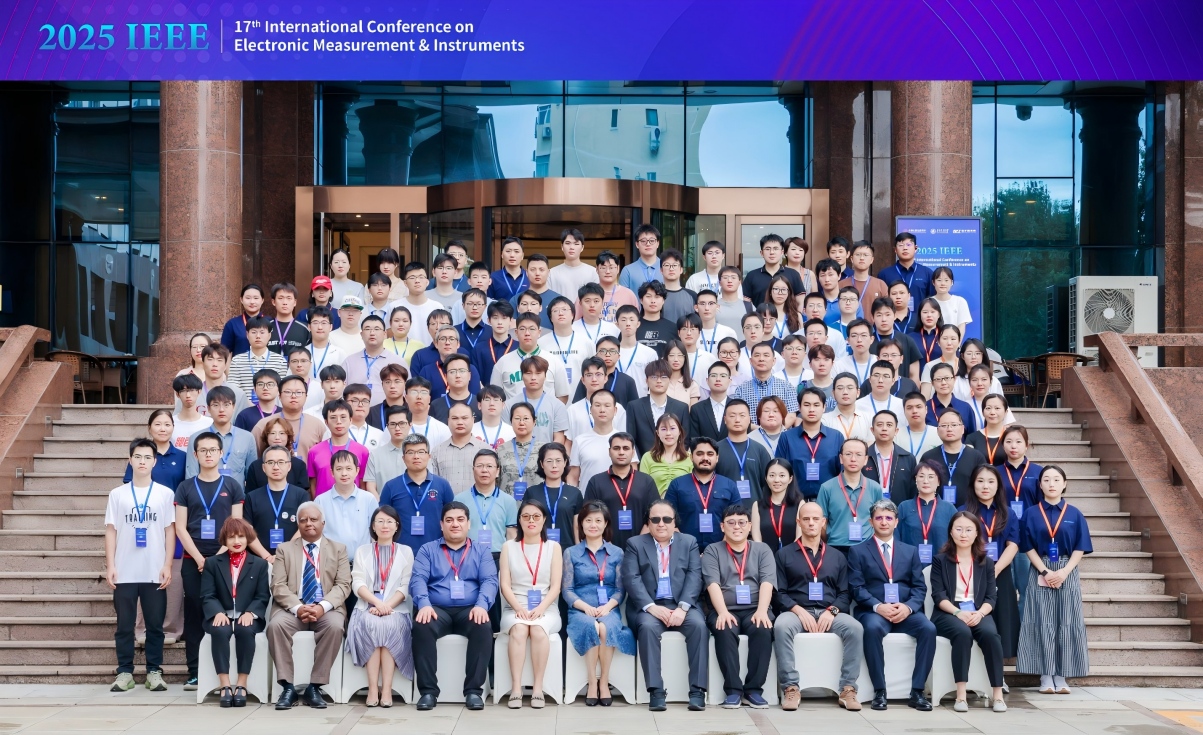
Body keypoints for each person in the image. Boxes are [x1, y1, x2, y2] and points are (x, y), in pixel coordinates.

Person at [773, 501, 864, 711]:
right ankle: (791, 687)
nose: (811, 523)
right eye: (806, 519)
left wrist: (832, 612)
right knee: (781, 626)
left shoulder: (837, 556)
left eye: (816, 519)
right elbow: (779, 593)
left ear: (824, 522)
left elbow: (844, 594)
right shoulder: (784, 554)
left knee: (855, 628)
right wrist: (798, 610)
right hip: (796, 612)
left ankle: (848, 688)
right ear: (798, 522)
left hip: (829, 612)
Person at [847, 499, 936, 712]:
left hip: (905, 611)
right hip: (874, 612)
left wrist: (908, 607)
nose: (884, 522)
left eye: (889, 518)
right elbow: (856, 588)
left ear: (896, 522)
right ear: (871, 522)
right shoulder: (858, 551)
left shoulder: (910, 551)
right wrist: (878, 606)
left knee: (928, 629)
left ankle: (917, 692)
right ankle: (880, 691)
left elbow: (919, 587)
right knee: (871, 629)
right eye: (879, 518)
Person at [409, 501, 499, 711]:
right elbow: (418, 579)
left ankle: (474, 692)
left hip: (470, 609)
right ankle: (428, 692)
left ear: (468, 524)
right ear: (441, 525)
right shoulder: (427, 550)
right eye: (449, 520)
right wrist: (424, 604)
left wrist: (481, 606)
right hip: (436, 609)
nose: (455, 524)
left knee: (483, 626)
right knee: (422, 626)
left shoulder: (481, 551)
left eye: (460, 519)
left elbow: (490, 581)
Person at [621, 499, 708, 712]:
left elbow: (695, 576)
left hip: (681, 604)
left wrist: (682, 608)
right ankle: (656, 691)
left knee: (699, 626)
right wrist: (651, 607)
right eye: (656, 519)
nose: (661, 524)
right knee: (647, 628)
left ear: (674, 522)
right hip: (650, 607)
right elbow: (631, 578)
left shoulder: (689, 542)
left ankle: (697, 691)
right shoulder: (635, 544)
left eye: (667, 519)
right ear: (648, 523)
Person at [176, 431, 247, 691]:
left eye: (213, 450)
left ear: (220, 453)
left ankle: (227, 672)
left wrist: (217, 557)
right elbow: (180, 527)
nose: (208, 454)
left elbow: (236, 526)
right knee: (195, 612)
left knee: (225, 612)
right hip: (192, 559)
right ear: (195, 455)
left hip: (225, 558)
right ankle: (195, 671)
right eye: (203, 450)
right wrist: (199, 558)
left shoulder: (232, 486)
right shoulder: (185, 487)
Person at [106, 438, 176, 693]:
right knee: (125, 625)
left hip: (154, 570)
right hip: (124, 570)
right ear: (130, 460)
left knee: (155, 625)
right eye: (138, 457)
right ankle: (124, 672)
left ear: (154, 461)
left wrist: (167, 564)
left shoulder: (165, 494)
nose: (142, 461)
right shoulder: (117, 494)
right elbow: (111, 531)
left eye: (147, 457)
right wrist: (110, 565)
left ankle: (154, 672)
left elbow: (170, 531)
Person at [268, 502, 353, 709]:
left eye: (313, 519)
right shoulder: (284, 549)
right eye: (303, 520)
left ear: (323, 523)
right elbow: (277, 585)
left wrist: (322, 606)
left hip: (326, 609)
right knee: (276, 626)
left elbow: (343, 584)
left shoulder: (338, 549)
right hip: (292, 609)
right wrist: (298, 608)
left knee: (335, 626)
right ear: (298, 524)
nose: (309, 523)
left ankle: (314, 687)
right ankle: (287, 688)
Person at [1017, 465, 1092, 694]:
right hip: (1040, 568)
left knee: (1066, 621)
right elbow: (1027, 546)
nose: (1051, 484)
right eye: (1047, 479)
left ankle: (1061, 675)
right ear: (1040, 485)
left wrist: (1064, 572)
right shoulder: (1031, 513)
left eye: (1056, 479)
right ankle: (1045, 675)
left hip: (1067, 569)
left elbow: (1080, 547)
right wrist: (1044, 572)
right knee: (1042, 621)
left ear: (1064, 484)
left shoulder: (1074, 514)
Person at [930, 511, 1006, 712]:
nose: (963, 534)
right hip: (949, 612)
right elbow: (938, 595)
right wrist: (958, 613)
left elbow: (991, 597)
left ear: (976, 533)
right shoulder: (940, 561)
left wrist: (980, 614)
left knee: (991, 635)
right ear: (951, 532)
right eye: (959, 529)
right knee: (962, 633)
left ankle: (998, 694)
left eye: (968, 530)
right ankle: (961, 695)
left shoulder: (986, 562)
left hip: (978, 611)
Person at [702, 504, 776, 708]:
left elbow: (767, 582)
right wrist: (722, 612)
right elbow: (712, 584)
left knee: (763, 628)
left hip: (756, 608)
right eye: (731, 522)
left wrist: (762, 611)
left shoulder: (762, 550)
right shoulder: (712, 550)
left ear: (750, 526)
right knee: (724, 628)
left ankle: (753, 690)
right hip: (724, 609)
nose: (737, 527)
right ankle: (733, 690)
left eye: (742, 522)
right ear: (722, 526)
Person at [563, 501, 635, 706]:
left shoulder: (617, 552)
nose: (593, 525)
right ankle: (592, 682)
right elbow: (567, 590)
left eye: (598, 520)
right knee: (592, 626)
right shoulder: (571, 553)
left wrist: (607, 607)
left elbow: (620, 589)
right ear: (581, 524)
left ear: (605, 524)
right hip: (580, 609)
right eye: (588, 520)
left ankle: (604, 681)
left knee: (605, 627)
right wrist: (585, 607)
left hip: (608, 608)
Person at [346, 506, 415, 708]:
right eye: (380, 521)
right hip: (366, 606)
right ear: (373, 526)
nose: (385, 525)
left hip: (396, 608)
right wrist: (377, 603)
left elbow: (405, 585)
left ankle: (386, 689)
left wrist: (386, 606)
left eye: (390, 521)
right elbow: (357, 583)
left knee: (389, 625)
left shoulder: (406, 551)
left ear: (397, 526)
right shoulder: (362, 551)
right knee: (372, 623)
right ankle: (372, 689)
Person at [498, 498, 563, 708]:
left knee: (537, 630)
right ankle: (516, 688)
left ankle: (537, 688)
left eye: (536, 516)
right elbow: (505, 585)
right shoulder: (509, 547)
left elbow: (555, 587)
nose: (531, 521)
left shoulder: (553, 547)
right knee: (518, 630)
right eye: (526, 516)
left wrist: (541, 608)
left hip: (546, 608)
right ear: (519, 520)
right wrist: (518, 608)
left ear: (544, 520)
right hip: (514, 607)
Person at [199, 517, 271, 707]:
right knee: (219, 630)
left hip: (247, 615)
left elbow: (262, 596)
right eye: (231, 537)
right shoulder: (212, 563)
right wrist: (217, 612)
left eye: (241, 536)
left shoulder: (259, 564)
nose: (236, 541)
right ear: (224, 539)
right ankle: (224, 684)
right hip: (221, 614)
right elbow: (207, 594)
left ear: (248, 538)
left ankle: (241, 683)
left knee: (245, 630)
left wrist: (251, 613)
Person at [962, 465, 1020, 660]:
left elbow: (1013, 545)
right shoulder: (963, 512)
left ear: (998, 486)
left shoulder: (1008, 513)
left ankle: (999, 668)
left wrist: (995, 569)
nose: (985, 486)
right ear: (973, 484)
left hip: (1000, 572)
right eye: (980, 481)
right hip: (970, 573)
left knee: (1002, 618)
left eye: (990, 481)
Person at [379, 433, 457, 553]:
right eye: (410, 452)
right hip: (400, 554)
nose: (416, 456)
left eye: (421, 452)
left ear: (429, 456)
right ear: (403, 458)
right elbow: (383, 521)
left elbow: (451, 518)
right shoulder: (391, 486)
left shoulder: (442, 485)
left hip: (437, 552)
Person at [664, 437, 741, 550]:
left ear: (717, 458)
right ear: (691, 457)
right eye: (700, 454)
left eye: (710, 454)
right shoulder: (677, 484)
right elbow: (667, 517)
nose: (705, 458)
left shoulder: (729, 485)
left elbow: (737, 518)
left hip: (722, 549)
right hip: (684, 550)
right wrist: (685, 546)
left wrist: (721, 548)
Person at [775, 387, 844, 500]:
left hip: (829, 500)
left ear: (824, 407)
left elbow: (842, 471)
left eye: (816, 405)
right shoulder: (787, 437)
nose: (811, 409)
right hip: (795, 501)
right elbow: (780, 470)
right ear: (799, 407)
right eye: (807, 405)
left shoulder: (836, 437)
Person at [816, 439, 883, 554]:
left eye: (858, 454)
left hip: (867, 547)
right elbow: (821, 523)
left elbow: (879, 519)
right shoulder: (827, 488)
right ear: (841, 458)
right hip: (836, 548)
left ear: (865, 459)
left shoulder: (875, 488)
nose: (853, 459)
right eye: (848, 454)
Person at [243, 444, 309, 560]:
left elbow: (304, 528)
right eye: (270, 462)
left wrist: (285, 554)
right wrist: (266, 556)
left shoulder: (301, 495)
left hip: (293, 558)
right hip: (260, 560)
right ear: (264, 467)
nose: (276, 467)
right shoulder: (252, 497)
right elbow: (247, 530)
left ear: (289, 466)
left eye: (281, 462)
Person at [314, 450, 379, 559]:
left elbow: (376, 533)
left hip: (362, 563)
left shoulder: (369, 499)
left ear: (357, 471)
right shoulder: (320, 501)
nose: (344, 473)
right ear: (332, 472)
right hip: (331, 563)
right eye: (339, 469)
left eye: (349, 468)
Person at [454, 449, 519, 555]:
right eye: (479, 466)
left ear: (497, 471)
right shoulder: (460, 499)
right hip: (467, 555)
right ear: (473, 470)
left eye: (489, 466)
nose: (484, 470)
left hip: (498, 556)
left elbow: (511, 535)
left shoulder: (508, 501)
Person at [185, 386, 257, 479]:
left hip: (237, 489)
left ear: (233, 407)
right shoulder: (196, 438)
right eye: (216, 405)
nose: (221, 409)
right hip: (205, 488)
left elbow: (251, 476)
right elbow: (191, 476)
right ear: (208, 408)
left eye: (226, 404)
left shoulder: (247, 437)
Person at [251, 375, 327, 463]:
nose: (293, 396)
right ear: (279, 396)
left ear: (306, 396)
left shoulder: (317, 425)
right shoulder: (264, 424)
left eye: (299, 392)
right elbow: (254, 459)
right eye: (288, 392)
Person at [896, 460, 958, 566]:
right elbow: (896, 538)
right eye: (921, 476)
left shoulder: (949, 509)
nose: (925, 481)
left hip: (942, 567)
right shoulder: (904, 507)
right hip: (909, 567)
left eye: (931, 477)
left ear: (938, 481)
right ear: (915, 480)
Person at [920, 408, 987, 506]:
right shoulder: (928, 457)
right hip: (934, 512)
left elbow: (983, 487)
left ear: (963, 429)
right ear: (937, 430)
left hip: (968, 511)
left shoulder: (976, 457)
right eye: (944, 425)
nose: (949, 429)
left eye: (954, 425)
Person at [307, 400, 371, 497]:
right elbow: (313, 485)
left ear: (350, 420)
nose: (339, 422)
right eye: (333, 418)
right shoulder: (314, 451)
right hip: (323, 504)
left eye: (343, 417)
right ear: (326, 422)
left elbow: (363, 485)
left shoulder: (362, 451)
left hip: (353, 503)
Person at [629, 360, 690, 456]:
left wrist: (674, 459)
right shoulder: (634, 407)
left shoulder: (681, 408)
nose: (659, 381)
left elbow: (685, 440)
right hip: (643, 461)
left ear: (669, 380)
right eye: (654, 377)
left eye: (664, 377)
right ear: (646, 380)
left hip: (673, 461)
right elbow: (631, 439)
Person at [505, 356, 569, 446]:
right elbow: (506, 436)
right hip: (516, 453)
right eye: (528, 373)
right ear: (522, 376)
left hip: (546, 454)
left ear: (545, 376)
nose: (533, 377)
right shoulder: (509, 405)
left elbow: (559, 439)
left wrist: (548, 453)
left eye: (538, 373)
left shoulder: (557, 406)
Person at [717, 400, 773, 503]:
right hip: (724, 509)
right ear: (725, 419)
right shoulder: (715, 450)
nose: (737, 420)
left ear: (749, 419)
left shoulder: (760, 450)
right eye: (732, 416)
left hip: (755, 509)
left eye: (742, 415)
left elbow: (768, 485)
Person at [540, 295, 595, 395]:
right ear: (550, 317)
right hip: (550, 398)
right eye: (555, 310)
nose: (560, 313)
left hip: (580, 398)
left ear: (573, 314)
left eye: (564, 309)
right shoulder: (541, 343)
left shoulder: (586, 342)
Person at [862, 410, 918, 504]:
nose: (884, 428)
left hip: (899, 510)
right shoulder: (863, 457)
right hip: (868, 509)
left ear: (896, 431)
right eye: (880, 425)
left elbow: (913, 492)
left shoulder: (908, 458)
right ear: (872, 430)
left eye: (889, 425)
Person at [429, 402, 485, 493]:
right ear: (448, 421)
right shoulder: (437, 451)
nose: (460, 422)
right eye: (455, 418)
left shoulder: (485, 450)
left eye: (464, 418)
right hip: (447, 502)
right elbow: (433, 485)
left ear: (473, 420)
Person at [228, 318, 290, 399]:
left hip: (272, 406)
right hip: (244, 406)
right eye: (254, 332)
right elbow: (233, 388)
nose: (258, 336)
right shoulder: (237, 360)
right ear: (247, 335)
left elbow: (282, 389)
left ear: (269, 335)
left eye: (262, 332)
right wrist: (247, 403)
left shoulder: (280, 361)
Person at [751, 458, 803, 549]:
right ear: (766, 478)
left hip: (792, 554)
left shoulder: (800, 504)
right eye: (772, 475)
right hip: (765, 555)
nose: (776, 480)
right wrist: (765, 554)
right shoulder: (757, 505)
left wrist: (788, 554)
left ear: (790, 479)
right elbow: (756, 537)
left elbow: (800, 536)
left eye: (782, 475)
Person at [639, 414, 692, 497]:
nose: (668, 433)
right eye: (663, 429)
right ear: (657, 433)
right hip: (655, 503)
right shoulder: (647, 457)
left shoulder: (690, 457)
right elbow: (642, 486)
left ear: (679, 432)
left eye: (672, 428)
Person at [498, 403, 545, 498]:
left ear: (534, 421)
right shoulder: (501, 450)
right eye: (517, 418)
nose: (521, 423)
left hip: (537, 503)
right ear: (511, 422)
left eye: (526, 418)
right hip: (507, 502)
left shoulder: (544, 449)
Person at [877, 232, 935, 306]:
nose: (905, 248)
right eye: (901, 245)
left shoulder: (927, 273)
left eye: (908, 245)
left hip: (919, 313)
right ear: (895, 250)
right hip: (894, 313)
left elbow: (932, 301)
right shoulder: (884, 274)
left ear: (915, 248)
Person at [547, 227, 599, 299]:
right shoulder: (552, 273)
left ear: (582, 247)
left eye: (576, 244)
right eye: (567, 243)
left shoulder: (593, 272)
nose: (571, 247)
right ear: (562, 246)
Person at [822, 373, 873, 444]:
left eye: (850, 388)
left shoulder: (868, 418)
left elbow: (871, 443)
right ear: (833, 393)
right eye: (840, 388)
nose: (845, 392)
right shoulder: (824, 420)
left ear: (858, 393)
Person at [688, 360, 732, 442]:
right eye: (713, 375)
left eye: (723, 376)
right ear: (707, 381)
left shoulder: (737, 407)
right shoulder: (697, 409)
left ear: (730, 381)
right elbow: (694, 440)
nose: (718, 379)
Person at [221, 284, 266, 356]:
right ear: (241, 300)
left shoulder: (270, 322)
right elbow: (225, 352)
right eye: (248, 298)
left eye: (256, 298)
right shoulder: (232, 324)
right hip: (240, 363)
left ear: (262, 300)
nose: (252, 302)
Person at [967, 394, 1012, 465]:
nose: (992, 412)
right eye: (988, 408)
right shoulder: (972, 438)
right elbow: (969, 463)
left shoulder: (1012, 436)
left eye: (997, 408)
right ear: (983, 412)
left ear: (1006, 412)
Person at [171, 374, 213, 446]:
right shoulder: (170, 423)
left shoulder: (209, 423)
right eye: (183, 391)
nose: (188, 395)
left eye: (192, 390)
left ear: (199, 392)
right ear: (177, 394)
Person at [659, 249, 698, 326]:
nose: (671, 268)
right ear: (661, 270)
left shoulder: (693, 295)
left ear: (681, 270)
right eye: (667, 265)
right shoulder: (655, 295)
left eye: (675, 265)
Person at [931, 267, 971, 341]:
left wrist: (957, 344)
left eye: (946, 280)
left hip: (953, 344)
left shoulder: (960, 301)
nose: (943, 283)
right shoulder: (928, 302)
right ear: (933, 282)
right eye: (939, 280)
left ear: (951, 282)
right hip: (933, 344)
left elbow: (961, 326)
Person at [898, 392, 941, 458]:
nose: (914, 411)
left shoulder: (938, 433)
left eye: (918, 407)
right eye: (909, 408)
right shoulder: (896, 435)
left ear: (926, 410)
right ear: (904, 411)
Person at [717, 266, 755, 334]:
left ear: (739, 282)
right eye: (725, 277)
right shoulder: (713, 306)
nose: (729, 281)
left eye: (733, 277)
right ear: (720, 282)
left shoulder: (748, 306)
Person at [663, 341, 701, 406]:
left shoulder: (692, 385)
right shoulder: (659, 382)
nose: (676, 359)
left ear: (685, 358)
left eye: (680, 355)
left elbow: (693, 410)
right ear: (666, 358)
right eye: (671, 355)